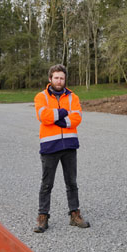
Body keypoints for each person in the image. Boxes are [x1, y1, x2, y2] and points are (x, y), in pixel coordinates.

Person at [33, 64, 89, 233]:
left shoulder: (73, 97)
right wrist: (64, 112)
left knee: (72, 182)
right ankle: (43, 217)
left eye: (62, 78)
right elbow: (43, 115)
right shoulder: (41, 97)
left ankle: (74, 214)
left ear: (65, 79)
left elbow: (77, 117)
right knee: (46, 184)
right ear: (50, 79)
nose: (59, 81)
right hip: (50, 147)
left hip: (69, 145)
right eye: (56, 78)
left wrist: (58, 118)